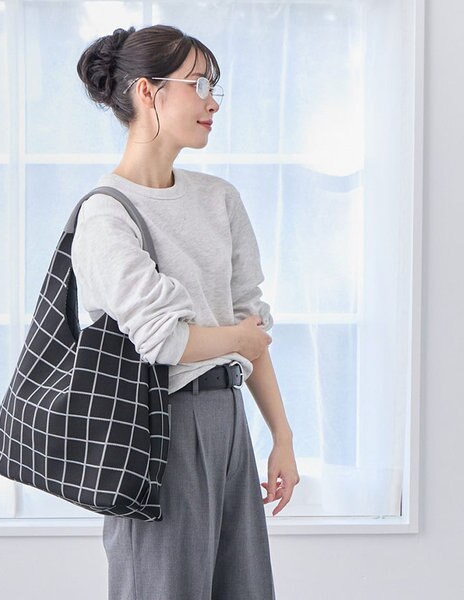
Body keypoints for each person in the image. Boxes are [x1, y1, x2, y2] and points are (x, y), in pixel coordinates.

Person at [73, 23, 299, 600]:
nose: (212, 101)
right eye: (198, 84)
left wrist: (282, 436)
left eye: (214, 86)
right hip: (156, 431)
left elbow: (250, 320)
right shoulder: (106, 215)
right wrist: (238, 340)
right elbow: (167, 342)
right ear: (148, 92)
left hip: (228, 420)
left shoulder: (219, 198)